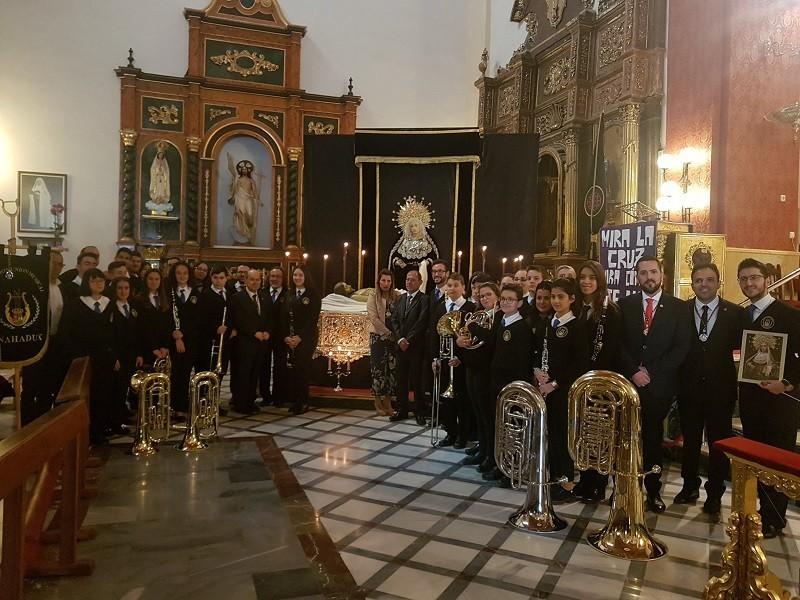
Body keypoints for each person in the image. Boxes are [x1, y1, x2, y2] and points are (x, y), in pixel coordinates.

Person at [619, 255, 690, 513]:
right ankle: (624, 489)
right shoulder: (624, 305)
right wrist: (632, 371)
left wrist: (650, 371)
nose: (648, 277)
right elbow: (618, 344)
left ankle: (653, 490)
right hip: (629, 385)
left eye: (653, 272)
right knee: (625, 439)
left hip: (658, 387)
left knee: (652, 439)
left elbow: (681, 347)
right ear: (636, 277)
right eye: (643, 273)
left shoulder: (679, 308)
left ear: (662, 275)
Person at [737, 258, 800, 538]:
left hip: (779, 401)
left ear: (766, 280)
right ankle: (759, 511)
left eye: (754, 278)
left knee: (777, 457)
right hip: (750, 400)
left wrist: (786, 384)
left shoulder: (789, 315)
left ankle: (775, 517)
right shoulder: (741, 315)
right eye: (744, 279)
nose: (749, 283)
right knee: (756, 456)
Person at [675, 263, 745, 515]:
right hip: (688, 388)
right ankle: (689, 485)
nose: (703, 284)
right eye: (698, 280)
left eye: (709, 280)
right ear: (692, 284)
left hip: (721, 390)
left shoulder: (736, 313)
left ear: (718, 283)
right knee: (691, 441)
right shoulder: (680, 311)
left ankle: (714, 493)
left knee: (718, 444)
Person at [533, 277, 590, 501]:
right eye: (553, 297)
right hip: (545, 389)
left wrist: (554, 384)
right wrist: (537, 371)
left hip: (562, 390)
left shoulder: (577, 326)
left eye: (560, 297)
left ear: (572, 299)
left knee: (561, 436)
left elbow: (579, 363)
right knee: (550, 434)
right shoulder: (548, 323)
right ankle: (554, 477)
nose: (555, 301)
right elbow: (538, 352)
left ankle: (566, 482)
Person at [572, 260, 622, 503]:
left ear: (599, 281)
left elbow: (612, 348)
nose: (586, 281)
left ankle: (600, 483)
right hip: (579, 380)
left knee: (601, 433)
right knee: (582, 432)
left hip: (600, 381)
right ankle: (584, 479)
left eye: (591, 277)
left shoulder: (609, 310)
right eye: (582, 276)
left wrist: (600, 378)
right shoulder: (577, 308)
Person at [60, 268, 116, 445]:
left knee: (103, 393)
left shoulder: (109, 304)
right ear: (87, 283)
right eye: (94, 281)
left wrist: (114, 355)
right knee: (84, 395)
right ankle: (82, 432)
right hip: (82, 356)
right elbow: (66, 331)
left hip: (104, 357)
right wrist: (74, 354)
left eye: (101, 281)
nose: (98, 284)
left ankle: (99, 430)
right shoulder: (76, 304)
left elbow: (114, 333)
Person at [486, 283, 533, 486]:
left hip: (513, 387)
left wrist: (518, 390)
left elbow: (522, 363)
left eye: (510, 299)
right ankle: (501, 465)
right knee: (500, 428)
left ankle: (513, 471)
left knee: (513, 430)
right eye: (503, 299)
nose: (506, 302)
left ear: (519, 303)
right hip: (497, 384)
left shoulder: (521, 328)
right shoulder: (501, 321)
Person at [456, 281, 501, 472]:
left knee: (488, 415)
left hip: (486, 372)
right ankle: (482, 449)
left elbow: (491, 340)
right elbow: (466, 336)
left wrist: (473, 328)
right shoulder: (476, 315)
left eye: (489, 294)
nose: (485, 299)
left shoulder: (499, 317)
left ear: (497, 296)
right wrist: (460, 341)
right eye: (482, 296)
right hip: (472, 368)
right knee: (479, 413)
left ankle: (491, 455)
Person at [428, 273, 476, 448]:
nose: (452, 288)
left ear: (463, 287)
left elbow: (472, 338)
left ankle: (462, 435)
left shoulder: (471, 308)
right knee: (446, 400)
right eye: (449, 285)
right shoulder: (440, 307)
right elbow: (433, 336)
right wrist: (435, 358)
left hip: (462, 363)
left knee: (462, 401)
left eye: (456, 285)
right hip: (444, 362)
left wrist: (460, 358)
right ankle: (451, 432)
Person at [20, 251, 66, 425]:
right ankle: (26, 425)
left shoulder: (62, 287)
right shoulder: (33, 286)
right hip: (36, 342)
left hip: (55, 343)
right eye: (53, 263)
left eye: (60, 264)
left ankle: (42, 424)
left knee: (49, 385)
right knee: (31, 386)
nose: (57, 268)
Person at [389, 270, 430, 424]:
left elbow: (422, 321)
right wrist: (400, 339)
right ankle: (402, 409)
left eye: (412, 280)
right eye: (407, 280)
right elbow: (394, 320)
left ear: (419, 282)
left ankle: (420, 411)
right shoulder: (401, 298)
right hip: (401, 347)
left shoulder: (424, 299)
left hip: (415, 347)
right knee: (401, 380)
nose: (409, 282)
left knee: (417, 380)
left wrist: (408, 339)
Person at [281, 265, 321, 414]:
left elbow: (312, 320)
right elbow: (284, 317)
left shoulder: (313, 295)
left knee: (302, 369)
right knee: (293, 370)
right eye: (295, 275)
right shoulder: (289, 293)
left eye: (300, 275)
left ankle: (303, 402)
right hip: (290, 338)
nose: (297, 278)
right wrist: (286, 336)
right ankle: (294, 400)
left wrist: (299, 337)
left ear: (306, 277)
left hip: (307, 338)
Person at [230, 269, 271, 415]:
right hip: (244, 343)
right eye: (252, 279)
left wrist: (267, 331)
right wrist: (254, 332)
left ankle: (250, 401)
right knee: (243, 374)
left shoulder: (265, 297)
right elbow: (238, 320)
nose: (255, 282)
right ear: (246, 281)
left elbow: (268, 317)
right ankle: (240, 403)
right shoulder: (237, 298)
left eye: (258, 280)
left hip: (260, 343)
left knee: (255, 373)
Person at [109, 277, 143, 434]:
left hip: (130, 355)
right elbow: (109, 335)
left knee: (124, 389)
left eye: (126, 288)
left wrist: (138, 354)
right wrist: (113, 357)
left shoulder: (133, 307)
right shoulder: (110, 307)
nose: (123, 291)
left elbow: (137, 332)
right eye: (120, 288)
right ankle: (114, 423)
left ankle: (119, 418)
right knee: (115, 390)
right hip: (117, 355)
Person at [196, 265, 231, 416]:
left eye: (222, 278)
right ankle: (203, 400)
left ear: (226, 279)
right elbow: (200, 318)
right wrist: (214, 328)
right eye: (215, 277)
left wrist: (232, 328)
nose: (218, 281)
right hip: (209, 341)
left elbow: (233, 315)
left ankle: (214, 399)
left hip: (225, 340)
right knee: (207, 371)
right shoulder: (205, 295)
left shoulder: (229, 294)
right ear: (211, 278)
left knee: (220, 371)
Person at [166, 261, 199, 416]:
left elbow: (198, 319)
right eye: (178, 273)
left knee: (185, 373)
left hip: (190, 341)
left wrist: (184, 335)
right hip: (173, 340)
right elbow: (166, 317)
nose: (182, 276)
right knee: (174, 373)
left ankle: (181, 405)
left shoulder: (196, 293)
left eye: (185, 273)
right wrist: (175, 334)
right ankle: (172, 405)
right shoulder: (168, 292)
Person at [368, 269, 401, 416]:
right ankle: (377, 400)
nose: (386, 284)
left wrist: (395, 334)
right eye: (383, 280)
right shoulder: (373, 297)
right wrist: (387, 333)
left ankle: (388, 401)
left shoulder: (397, 297)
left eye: (388, 281)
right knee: (378, 370)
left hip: (393, 339)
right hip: (378, 337)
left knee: (391, 370)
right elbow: (374, 318)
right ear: (378, 281)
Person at [389, 198, 440, 293]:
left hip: (421, 273)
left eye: (416, 225)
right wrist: (397, 261)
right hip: (405, 275)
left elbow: (434, 257)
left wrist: (425, 263)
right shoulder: (403, 240)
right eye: (411, 226)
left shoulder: (426, 240)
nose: (414, 228)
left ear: (420, 226)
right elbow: (394, 256)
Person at [132, 268, 171, 368]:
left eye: (157, 279)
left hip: (162, 349)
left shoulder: (165, 299)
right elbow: (141, 327)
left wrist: (164, 346)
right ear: (145, 280)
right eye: (151, 279)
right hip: (146, 347)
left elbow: (167, 324)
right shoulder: (138, 300)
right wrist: (153, 348)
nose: (154, 282)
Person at [261, 267, 288, 407]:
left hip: (281, 338)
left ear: (283, 279)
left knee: (280, 367)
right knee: (263, 367)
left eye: (278, 276)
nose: (275, 279)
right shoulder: (262, 293)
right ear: (268, 277)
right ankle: (265, 396)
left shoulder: (288, 294)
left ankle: (279, 397)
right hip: (265, 336)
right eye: (272, 276)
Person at [227, 157, 259, 245]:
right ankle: (241, 233)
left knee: (249, 216)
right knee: (240, 214)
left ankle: (247, 234)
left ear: (248, 171)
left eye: (246, 169)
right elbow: (233, 187)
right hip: (239, 198)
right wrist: (230, 164)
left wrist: (257, 199)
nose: (244, 170)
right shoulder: (238, 179)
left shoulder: (251, 180)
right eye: (243, 169)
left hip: (248, 199)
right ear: (240, 170)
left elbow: (255, 191)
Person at [148, 141, 173, 214]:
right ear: (158, 155)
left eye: (162, 154)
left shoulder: (165, 163)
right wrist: (157, 172)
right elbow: (152, 171)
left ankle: (163, 199)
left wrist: (163, 172)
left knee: (162, 190)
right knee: (157, 189)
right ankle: (156, 198)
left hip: (163, 181)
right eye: (160, 154)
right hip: (156, 181)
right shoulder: (155, 162)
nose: (161, 156)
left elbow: (167, 172)